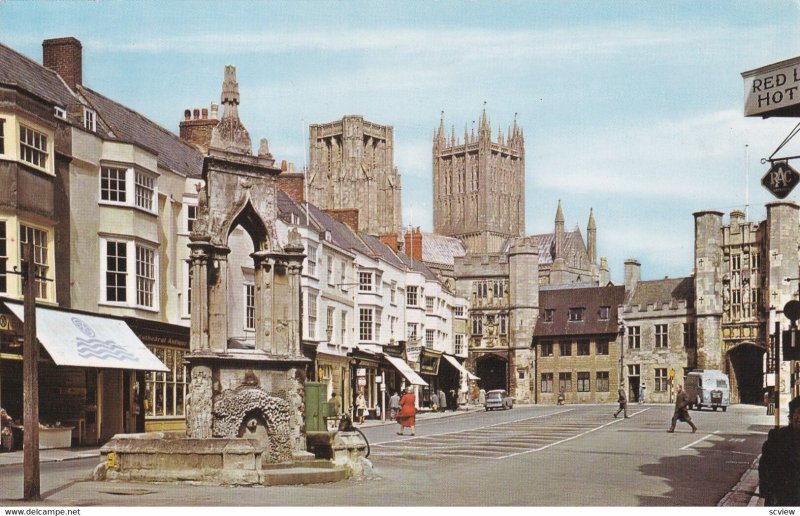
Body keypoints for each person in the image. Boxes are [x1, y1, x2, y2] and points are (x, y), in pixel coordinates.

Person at [759, 395, 800, 506]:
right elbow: (764, 466)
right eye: (798, 413)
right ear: (791, 416)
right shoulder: (777, 437)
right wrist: (767, 493)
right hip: (781, 498)